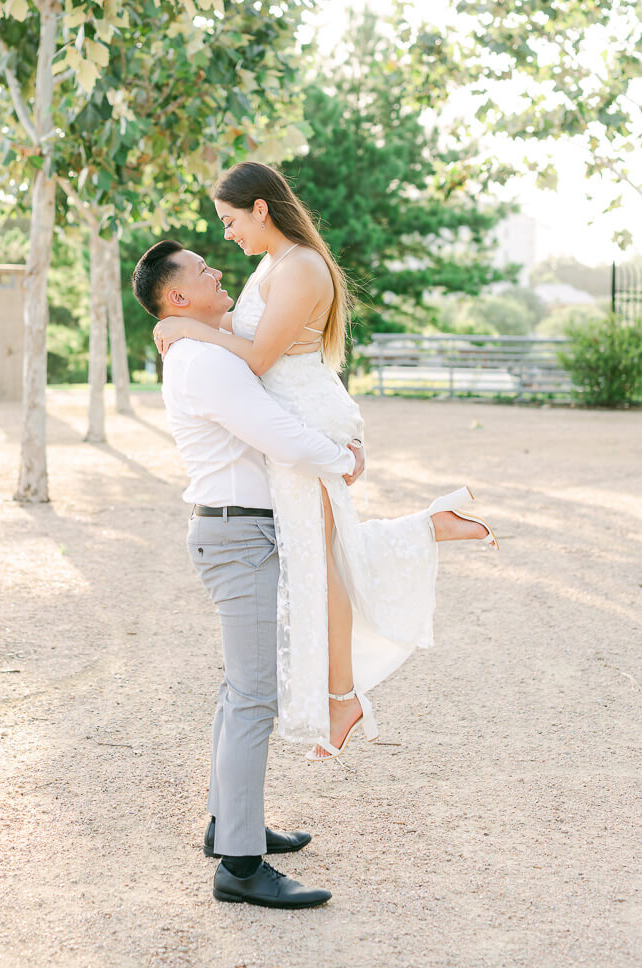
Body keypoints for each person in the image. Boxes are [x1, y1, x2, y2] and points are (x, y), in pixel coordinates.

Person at [152, 161, 498, 763]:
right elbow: (241, 331)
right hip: (297, 415)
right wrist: (188, 325)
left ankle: (343, 696)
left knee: (321, 563)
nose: (227, 234)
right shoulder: (272, 267)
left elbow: (257, 357)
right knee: (320, 559)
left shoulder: (304, 266)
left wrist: (184, 326)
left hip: (306, 418)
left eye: (231, 220)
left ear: (261, 209)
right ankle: (428, 531)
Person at [132, 238, 366, 908]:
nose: (218, 271)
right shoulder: (204, 361)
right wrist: (342, 459)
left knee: (241, 690)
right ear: (177, 298)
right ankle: (239, 864)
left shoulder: (200, 348)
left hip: (236, 529)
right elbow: (276, 431)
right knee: (254, 696)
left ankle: (227, 824)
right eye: (202, 272)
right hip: (237, 534)